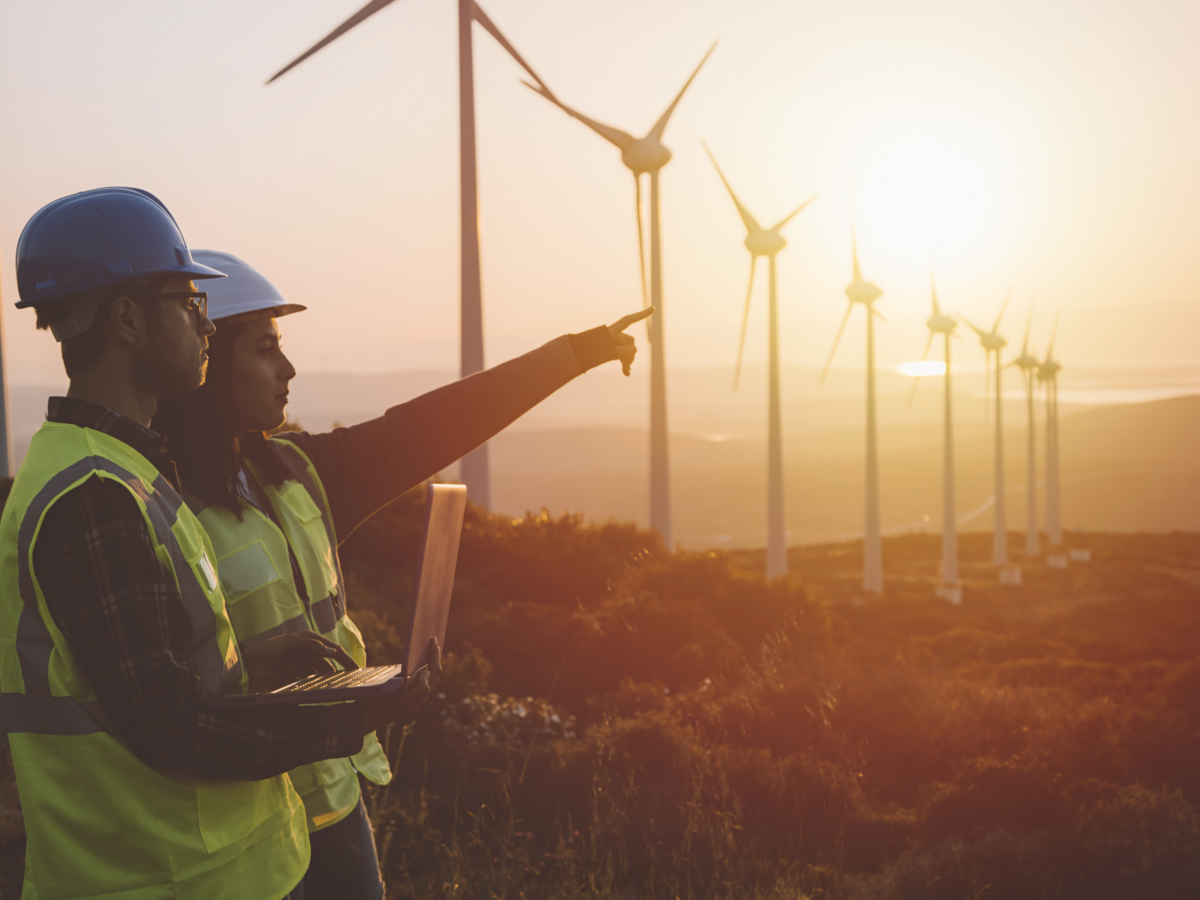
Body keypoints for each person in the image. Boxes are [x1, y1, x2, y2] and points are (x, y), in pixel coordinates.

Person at [151, 249, 651, 899]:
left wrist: (574, 354)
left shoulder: (301, 475)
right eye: (265, 350)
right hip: (237, 821)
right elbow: (163, 689)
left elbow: (432, 426)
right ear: (209, 365)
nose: (288, 368)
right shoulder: (154, 503)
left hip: (332, 797)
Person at [0, 188, 438, 900]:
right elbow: (171, 727)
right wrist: (342, 722)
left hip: (222, 872)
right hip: (163, 879)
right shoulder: (93, 496)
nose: (207, 324)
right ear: (128, 319)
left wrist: (258, 663)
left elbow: (144, 680)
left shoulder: (128, 471)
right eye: (189, 303)